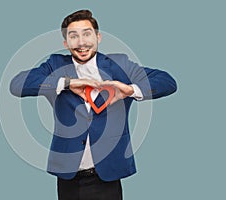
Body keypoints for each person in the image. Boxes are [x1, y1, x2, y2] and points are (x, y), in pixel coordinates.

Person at [10, 9, 177, 200]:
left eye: (87, 34)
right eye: (73, 36)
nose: (81, 42)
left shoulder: (119, 64)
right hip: (68, 177)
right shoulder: (55, 65)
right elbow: (17, 84)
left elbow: (167, 82)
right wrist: (67, 83)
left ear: (98, 37)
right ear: (66, 43)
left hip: (107, 175)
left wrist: (130, 90)